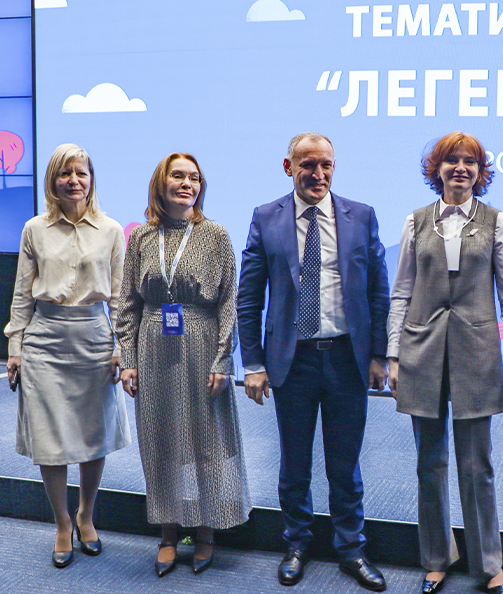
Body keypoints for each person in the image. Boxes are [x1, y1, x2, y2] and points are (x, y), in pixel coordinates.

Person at [236, 132, 390, 591]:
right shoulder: (266, 217)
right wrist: (253, 363)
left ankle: (351, 549)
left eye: (326, 165)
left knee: (345, 465)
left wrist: (379, 354)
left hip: (347, 359)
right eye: (308, 165)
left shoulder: (361, 216)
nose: (318, 174)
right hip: (293, 361)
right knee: (294, 464)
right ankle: (297, 545)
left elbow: (378, 292)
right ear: (289, 167)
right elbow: (249, 297)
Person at [388, 131, 503, 594]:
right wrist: (393, 354)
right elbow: (401, 292)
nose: (461, 168)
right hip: (421, 351)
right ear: (438, 169)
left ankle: (489, 564)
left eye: (470, 161)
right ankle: (436, 558)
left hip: (478, 353)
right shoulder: (415, 221)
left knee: (476, 466)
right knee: (429, 464)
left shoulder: (496, 222)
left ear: (480, 171)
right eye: (452, 160)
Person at [116, 152, 251, 577]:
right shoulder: (141, 237)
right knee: (160, 440)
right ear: (161, 182)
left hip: (202, 344)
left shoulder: (215, 235)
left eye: (194, 178)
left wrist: (223, 360)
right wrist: (128, 359)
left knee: (206, 439)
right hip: (153, 345)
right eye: (178, 176)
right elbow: (127, 303)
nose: (187, 184)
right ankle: (168, 534)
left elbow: (228, 303)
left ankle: (206, 532)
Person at [4, 143, 131, 568]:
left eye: (81, 173)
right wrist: (15, 348)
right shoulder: (34, 229)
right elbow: (22, 294)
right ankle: (61, 523)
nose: (74, 181)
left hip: (95, 339)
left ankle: (86, 516)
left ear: (91, 179)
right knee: (49, 438)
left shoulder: (112, 230)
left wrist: (122, 346)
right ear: (52, 181)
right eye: (65, 173)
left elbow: (120, 299)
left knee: (94, 435)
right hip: (45, 340)